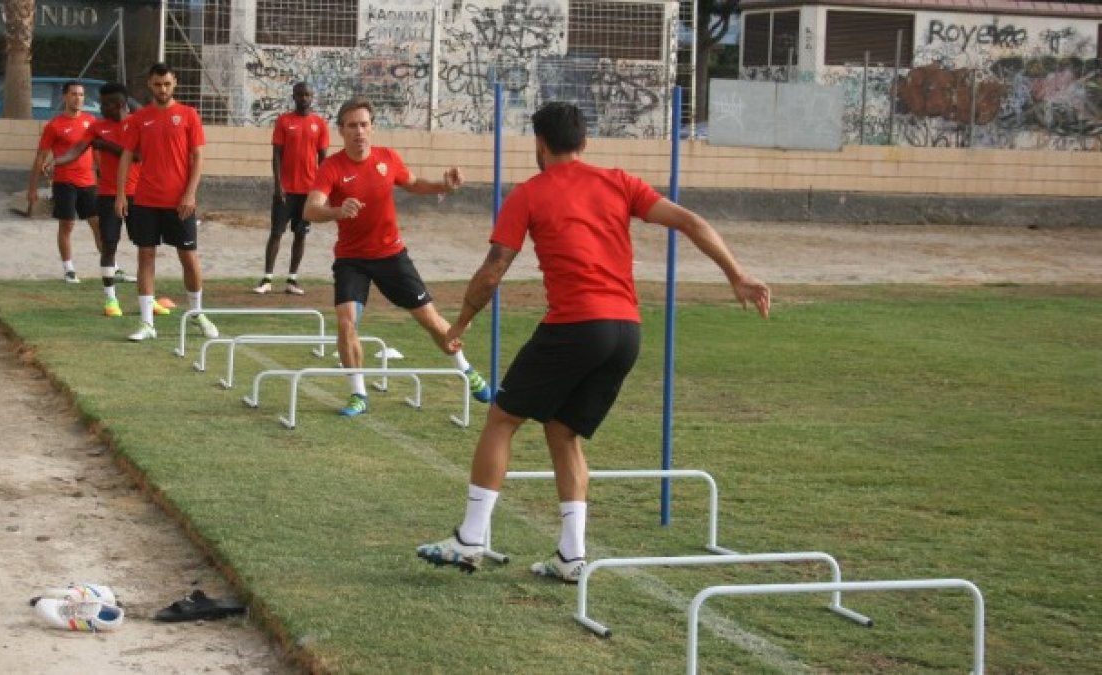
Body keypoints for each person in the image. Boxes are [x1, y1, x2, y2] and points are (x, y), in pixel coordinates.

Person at [416, 102, 772, 582]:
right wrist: (738, 274)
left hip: (576, 326)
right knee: (563, 432)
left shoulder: (528, 193)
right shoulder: (619, 182)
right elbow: (691, 221)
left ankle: (471, 539)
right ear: (584, 143)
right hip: (626, 334)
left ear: (539, 145)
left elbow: (494, 269)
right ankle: (571, 556)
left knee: (502, 418)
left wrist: (459, 323)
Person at [304, 97, 491, 417]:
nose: (359, 131)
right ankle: (358, 395)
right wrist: (337, 210)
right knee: (346, 322)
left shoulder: (387, 158)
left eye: (364, 125)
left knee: (432, 322)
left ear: (372, 128)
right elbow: (310, 209)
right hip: (352, 259)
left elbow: (414, 184)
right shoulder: (332, 167)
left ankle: (467, 370)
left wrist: (443, 185)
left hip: (391, 255)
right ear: (341, 131)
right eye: (352, 126)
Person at [116, 63, 218, 342]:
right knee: (145, 257)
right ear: (150, 85)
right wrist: (122, 194)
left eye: (167, 84)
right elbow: (126, 156)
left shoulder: (188, 115)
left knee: (189, 257)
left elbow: (198, 157)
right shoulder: (139, 118)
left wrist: (190, 193)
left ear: (175, 84)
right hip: (145, 201)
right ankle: (147, 323)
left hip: (180, 202)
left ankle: (197, 314)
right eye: (158, 84)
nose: (163, 89)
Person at [51, 82, 147, 317]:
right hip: (107, 195)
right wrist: (56, 161)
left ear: (121, 104)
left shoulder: (137, 124)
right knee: (108, 244)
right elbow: (77, 149)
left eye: (106, 104)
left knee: (146, 247)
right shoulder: (97, 127)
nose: (101, 107)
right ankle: (110, 300)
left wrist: (107, 146)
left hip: (138, 194)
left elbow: (138, 156)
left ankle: (147, 298)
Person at [254, 82, 329, 296]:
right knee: (276, 233)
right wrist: (278, 185)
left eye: (307, 94)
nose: (304, 98)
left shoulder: (319, 124)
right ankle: (267, 279)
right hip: (285, 190)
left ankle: (292, 280)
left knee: (301, 234)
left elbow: (323, 160)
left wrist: (322, 190)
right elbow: (277, 154)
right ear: (294, 96)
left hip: (308, 192)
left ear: (312, 97)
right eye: (300, 94)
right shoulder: (284, 121)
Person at [27, 81, 102, 284]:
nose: (78, 98)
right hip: (64, 182)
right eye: (74, 94)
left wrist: (103, 178)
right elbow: (41, 157)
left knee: (98, 224)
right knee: (67, 224)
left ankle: (109, 265)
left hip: (88, 182)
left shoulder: (91, 121)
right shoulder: (54, 125)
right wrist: (32, 188)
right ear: (65, 97)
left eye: (81, 94)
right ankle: (69, 269)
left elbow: (96, 152)